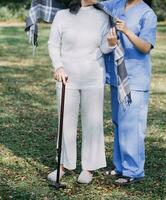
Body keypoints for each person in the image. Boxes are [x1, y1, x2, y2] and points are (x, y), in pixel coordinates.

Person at [47, 0, 117, 184]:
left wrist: (111, 44)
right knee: (65, 122)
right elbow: (53, 44)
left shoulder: (103, 16)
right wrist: (58, 67)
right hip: (66, 78)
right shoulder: (62, 16)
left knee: (93, 123)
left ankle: (89, 168)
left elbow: (104, 48)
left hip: (93, 77)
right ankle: (62, 165)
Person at [95, 0, 157, 184]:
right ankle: (120, 166)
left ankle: (133, 171)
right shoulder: (116, 4)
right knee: (118, 123)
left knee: (132, 126)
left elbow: (146, 47)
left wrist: (127, 31)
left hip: (135, 79)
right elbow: (96, 3)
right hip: (116, 76)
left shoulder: (147, 14)